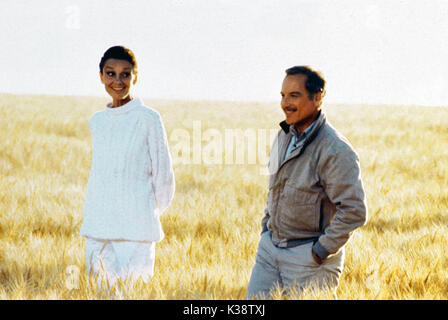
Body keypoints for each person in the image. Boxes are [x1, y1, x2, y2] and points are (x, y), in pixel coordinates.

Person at [246, 66, 367, 299]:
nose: (285, 103)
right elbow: (275, 190)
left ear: (318, 97)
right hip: (270, 251)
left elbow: (354, 211)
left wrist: (320, 251)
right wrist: (266, 231)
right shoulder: (283, 136)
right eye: (282, 95)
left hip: (308, 259)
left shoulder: (335, 150)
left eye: (294, 95)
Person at [80, 46, 175, 287]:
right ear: (101, 76)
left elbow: (164, 178)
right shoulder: (97, 122)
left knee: (135, 293)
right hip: (97, 230)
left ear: (135, 76)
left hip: (137, 234)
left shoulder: (149, 119)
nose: (118, 80)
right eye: (110, 73)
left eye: (125, 74)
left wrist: (143, 213)